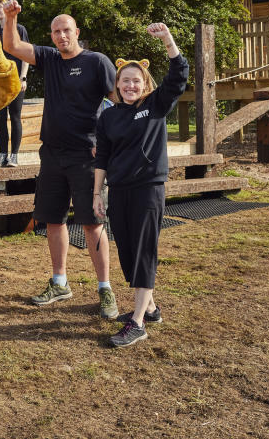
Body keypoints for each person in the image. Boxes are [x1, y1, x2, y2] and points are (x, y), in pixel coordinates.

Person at [1, 0, 119, 319]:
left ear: (76, 32)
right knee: (53, 219)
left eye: (66, 30)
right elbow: (11, 44)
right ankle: (59, 282)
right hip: (51, 154)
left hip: (87, 156)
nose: (61, 36)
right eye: (55, 32)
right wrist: (10, 17)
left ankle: (105, 288)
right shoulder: (50, 59)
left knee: (93, 225)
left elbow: (119, 103)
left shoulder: (97, 62)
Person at [94, 23, 188, 347]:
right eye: (125, 81)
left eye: (136, 80)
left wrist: (167, 40)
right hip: (118, 191)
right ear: (117, 84)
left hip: (148, 188)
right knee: (128, 251)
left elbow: (179, 74)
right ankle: (149, 308)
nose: (130, 85)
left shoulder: (155, 105)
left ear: (144, 83)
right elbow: (102, 158)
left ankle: (136, 323)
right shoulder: (108, 117)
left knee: (145, 251)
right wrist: (97, 193)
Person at [0, 0, 30, 167]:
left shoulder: (19, 29)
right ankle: (3, 153)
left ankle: (14, 155)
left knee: (15, 116)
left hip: (16, 80)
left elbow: (26, 55)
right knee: (0, 118)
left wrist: (23, 77)